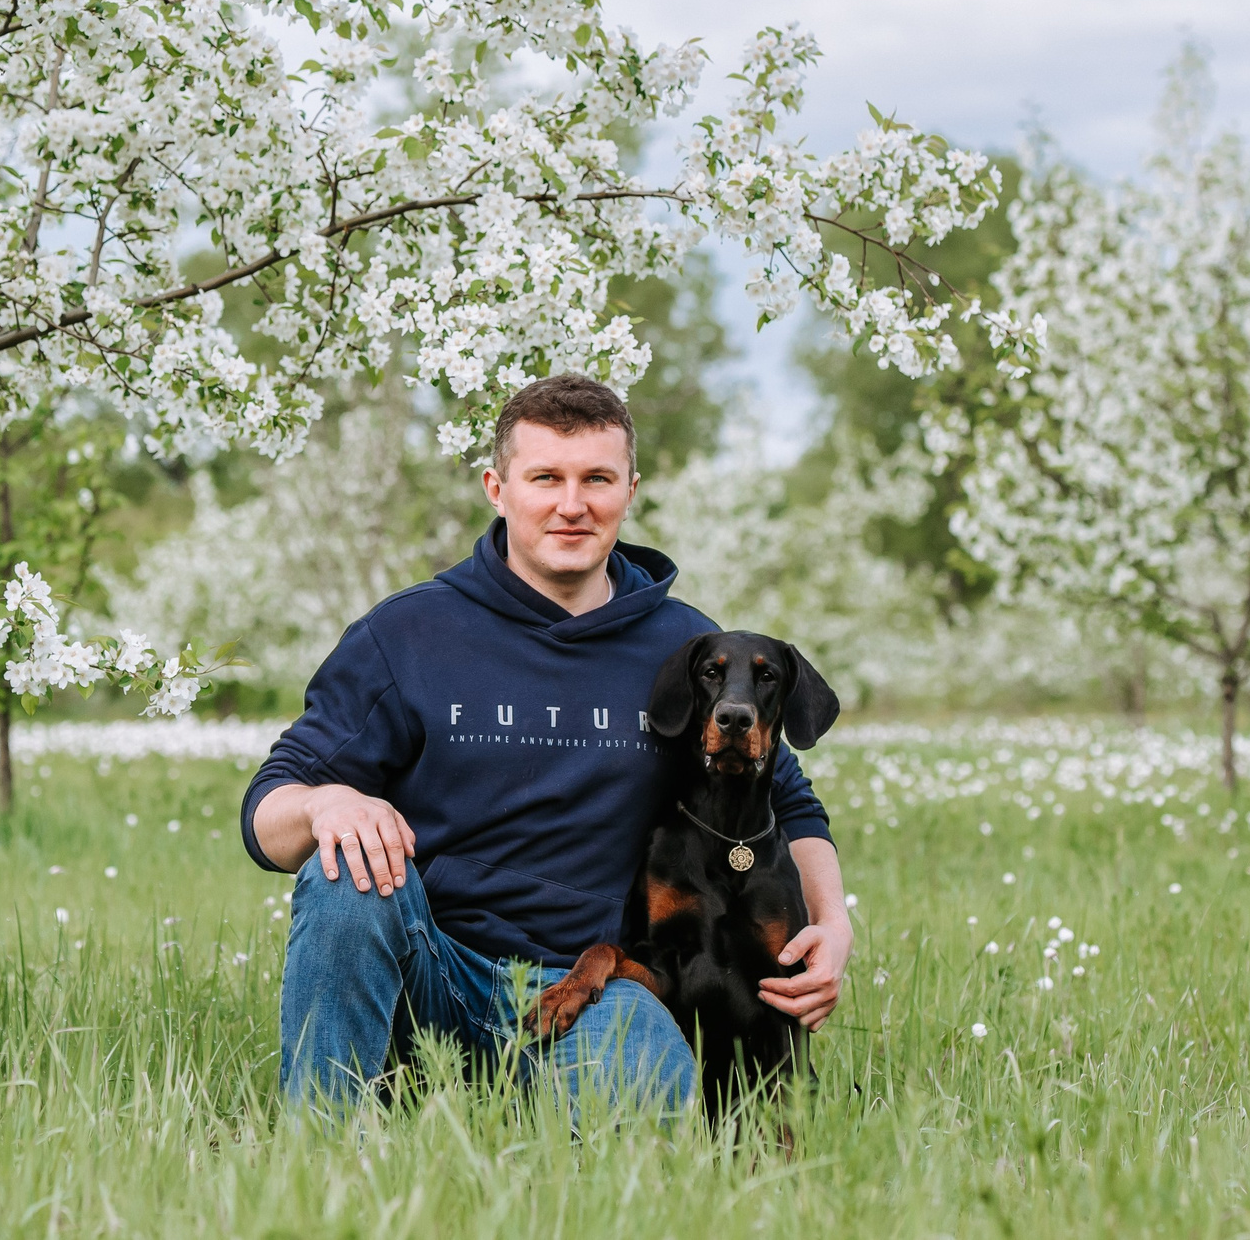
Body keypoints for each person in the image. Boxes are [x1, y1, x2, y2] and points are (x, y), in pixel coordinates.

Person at [241, 374, 853, 1114]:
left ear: (630, 488)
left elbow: (788, 798)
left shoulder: (684, 644)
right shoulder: (406, 634)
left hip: (587, 990)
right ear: (498, 487)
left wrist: (830, 926)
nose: (572, 503)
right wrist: (324, 801)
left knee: (652, 1107)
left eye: (596, 477)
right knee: (343, 878)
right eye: (545, 478)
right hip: (428, 967)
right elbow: (268, 817)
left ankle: (516, 1124)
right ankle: (324, 1146)